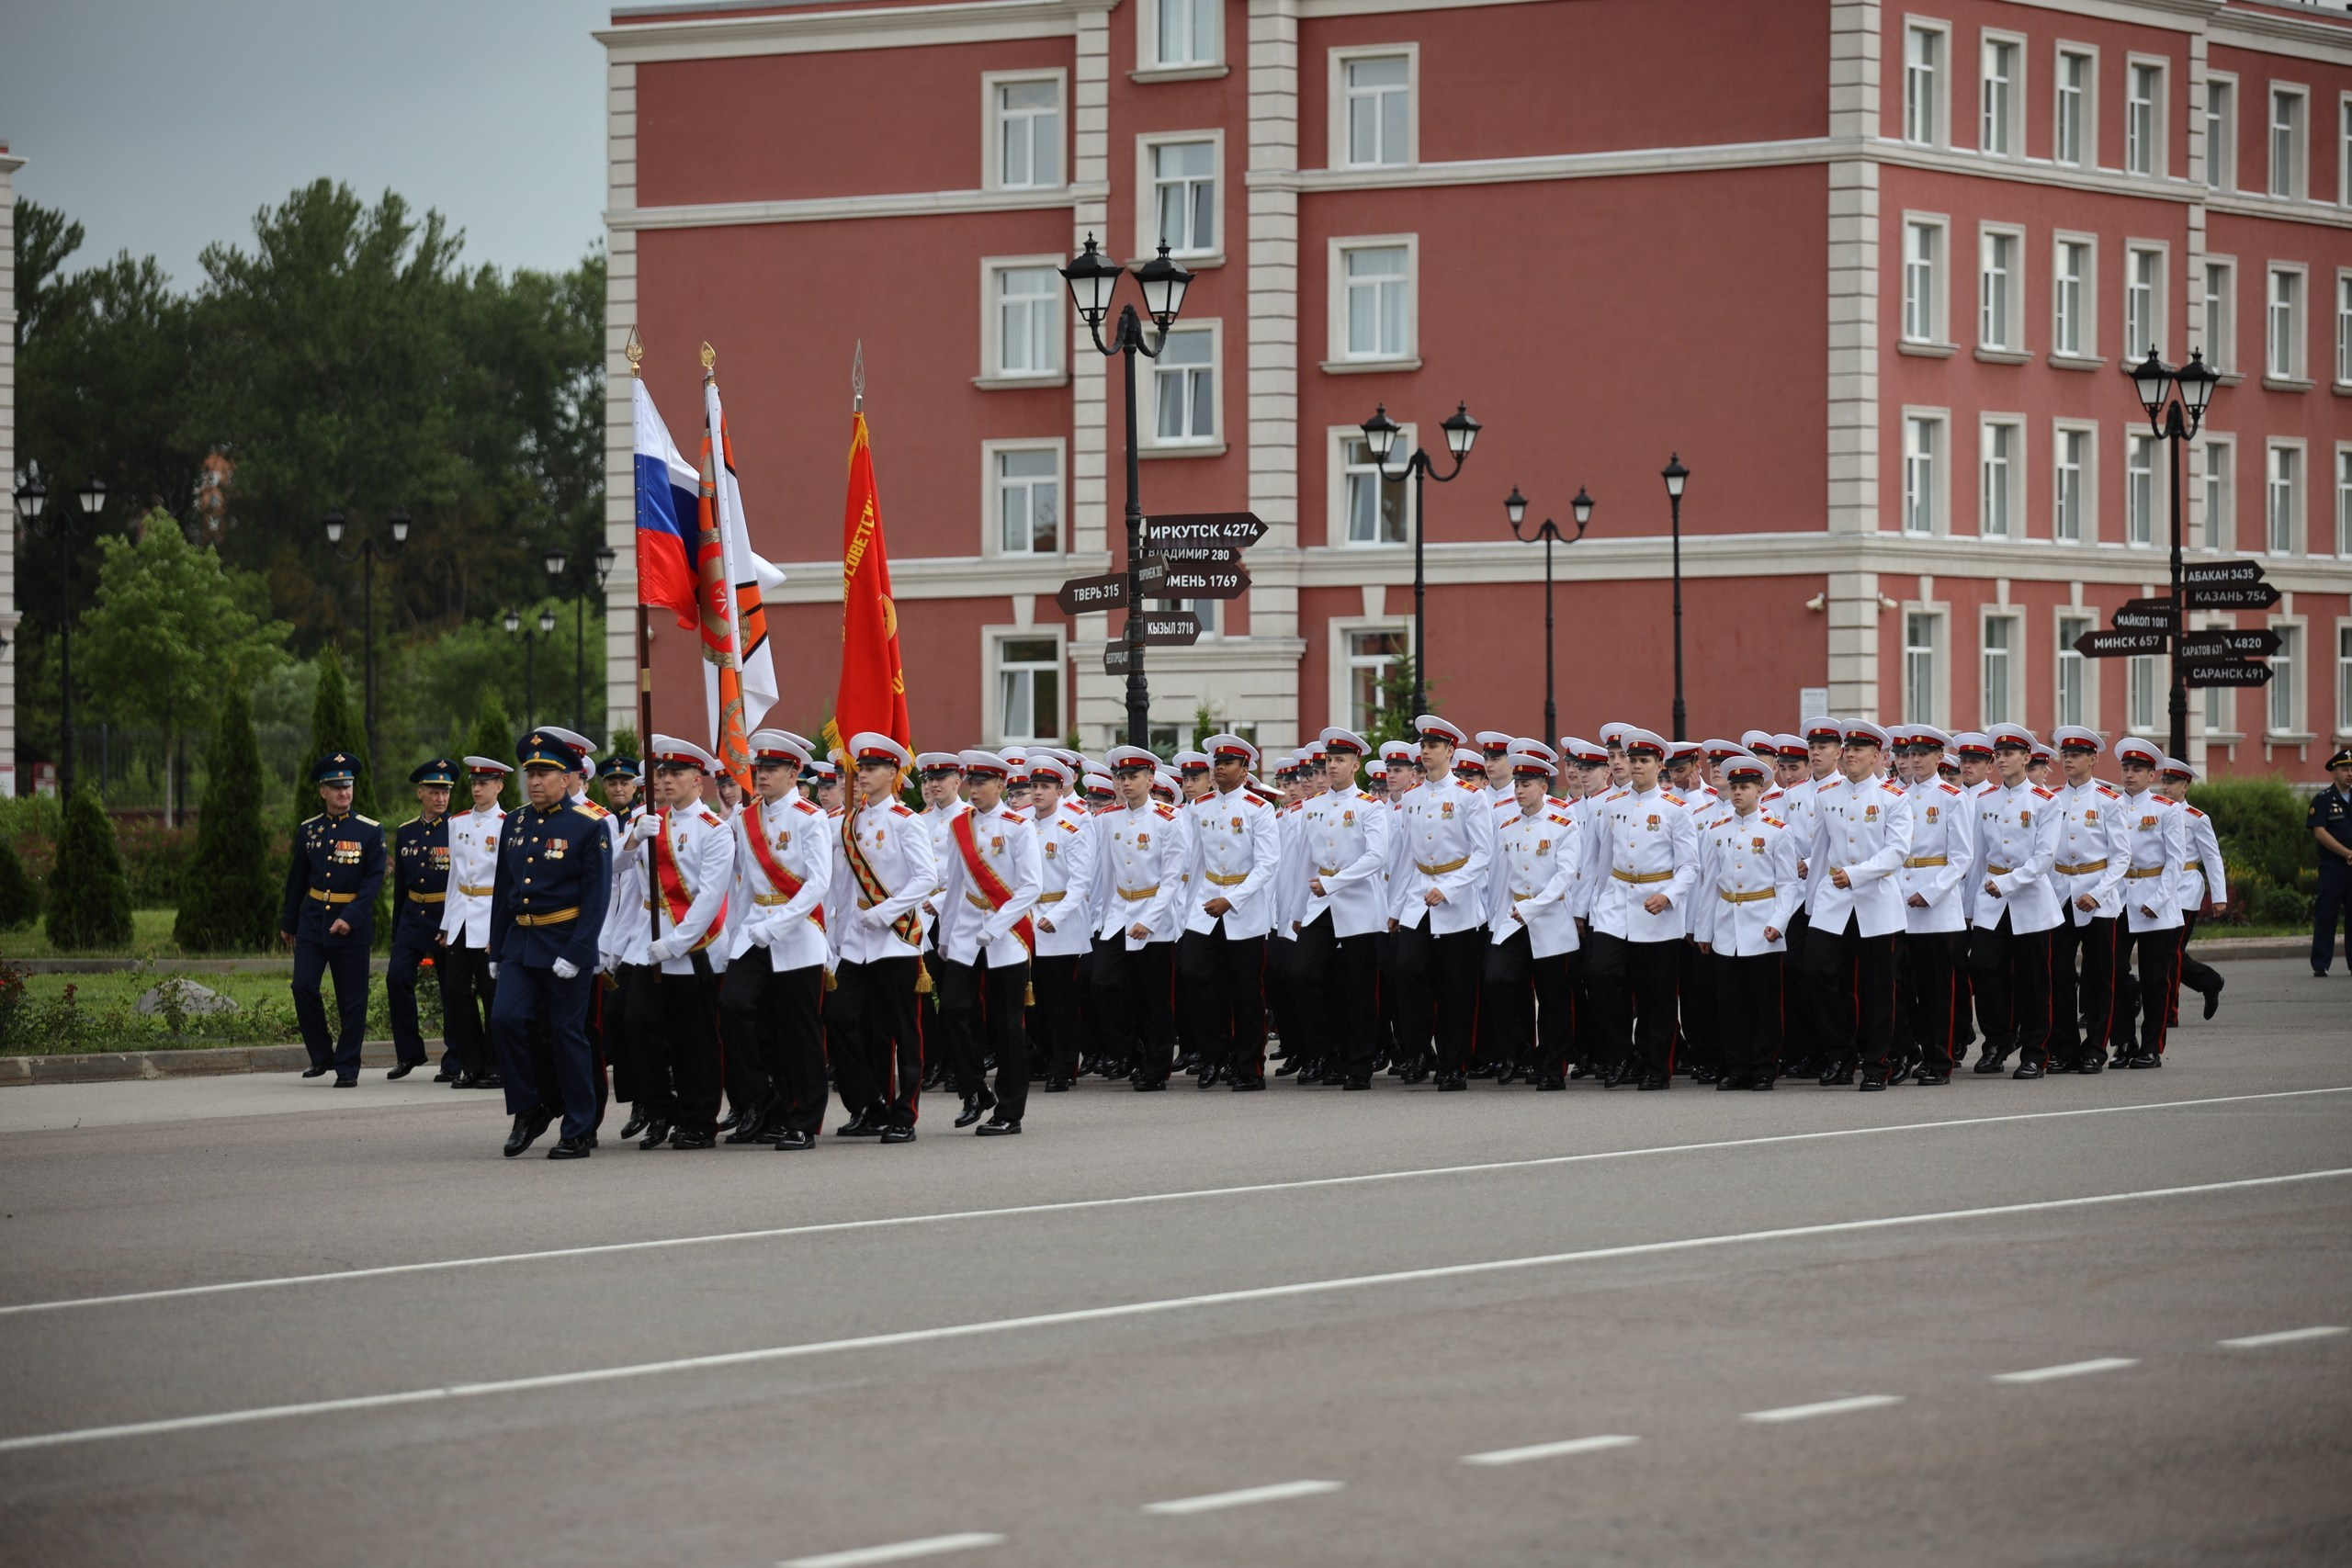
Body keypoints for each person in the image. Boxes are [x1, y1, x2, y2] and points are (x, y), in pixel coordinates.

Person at [486, 731, 615, 1159]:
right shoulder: (515, 822)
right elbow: (505, 889)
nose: (535, 781)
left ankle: (578, 1128)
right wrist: (495, 949)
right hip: (522, 943)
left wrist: (579, 952)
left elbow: (596, 899)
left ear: (568, 778)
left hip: (565, 945)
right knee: (505, 1020)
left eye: (545, 773)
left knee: (566, 1034)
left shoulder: (588, 826)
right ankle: (529, 1108)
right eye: (531, 773)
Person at [620, 737, 734, 1149]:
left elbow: (709, 897)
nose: (666, 780)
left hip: (693, 946)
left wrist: (675, 944)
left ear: (697, 781)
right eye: (661, 773)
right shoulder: (647, 819)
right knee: (636, 1024)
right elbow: (613, 867)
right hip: (645, 941)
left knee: (695, 1040)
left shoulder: (714, 831)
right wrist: (633, 839)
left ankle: (699, 1120)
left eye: (675, 773)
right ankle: (659, 1108)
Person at [722, 730, 833, 1150]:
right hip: (753, 930)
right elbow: (743, 885)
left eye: (771, 769)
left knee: (798, 1032)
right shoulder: (744, 817)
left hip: (798, 933)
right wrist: (736, 934)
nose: (762, 776)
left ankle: (802, 1119)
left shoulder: (809, 817)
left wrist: (778, 924)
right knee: (735, 1007)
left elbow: (818, 881)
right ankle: (763, 1101)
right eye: (759, 768)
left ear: (793, 773)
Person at [830, 733, 938, 1142]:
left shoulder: (905, 821)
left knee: (900, 1029)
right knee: (840, 1017)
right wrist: (839, 934)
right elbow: (843, 884)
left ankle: (903, 1114)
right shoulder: (851, 821)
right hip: (857, 941)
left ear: (893, 773)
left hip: (896, 938)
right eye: (861, 768)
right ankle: (870, 1102)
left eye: (872, 769)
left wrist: (886, 911)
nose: (863, 775)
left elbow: (926, 878)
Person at [1795, 721, 1912, 1089]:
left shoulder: (1893, 797)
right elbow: (1820, 853)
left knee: (1879, 988)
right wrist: (1812, 903)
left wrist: (1858, 874)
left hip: (1876, 901)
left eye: (1860, 750)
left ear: (1877, 756)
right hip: (1833, 899)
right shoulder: (1827, 794)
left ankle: (1878, 1062)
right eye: (1848, 748)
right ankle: (1840, 1053)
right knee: (1818, 971)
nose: (1851, 755)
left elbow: (1897, 851)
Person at [1580, 728, 1696, 1090]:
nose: (1637, 767)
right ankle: (1621, 1055)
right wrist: (1592, 906)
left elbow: (1690, 866)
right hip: (1616, 903)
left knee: (1656, 992)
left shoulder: (1676, 810)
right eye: (1633, 761)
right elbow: (1600, 861)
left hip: (1657, 907)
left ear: (1659, 764)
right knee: (1600, 975)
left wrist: (1669, 896)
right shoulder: (1611, 806)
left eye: (1644, 761)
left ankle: (1656, 1065)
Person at [1388, 716, 1499, 1090]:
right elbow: (1405, 855)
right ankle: (1419, 1051)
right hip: (1418, 897)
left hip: (1458, 902)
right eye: (1423, 746)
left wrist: (1450, 888)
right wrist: (1394, 908)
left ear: (1450, 752)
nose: (1425, 752)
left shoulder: (1470, 796)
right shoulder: (1412, 797)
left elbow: (1484, 853)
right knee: (1406, 971)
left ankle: (1455, 1064)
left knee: (1457, 987)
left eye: (1433, 746)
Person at [935, 749, 1043, 1134]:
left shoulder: (1018, 826)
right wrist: (946, 936)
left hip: (1007, 934)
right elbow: (953, 885)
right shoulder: (959, 826)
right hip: (966, 929)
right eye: (971, 782)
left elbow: (1031, 887)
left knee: (1008, 1025)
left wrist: (996, 927)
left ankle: (1009, 1112)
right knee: (951, 1009)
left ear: (1000, 784)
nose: (974, 789)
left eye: (982, 782)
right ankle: (975, 1089)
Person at [1180, 734, 1283, 1090]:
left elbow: (1268, 864)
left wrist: (1234, 899)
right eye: (1216, 763)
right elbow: (1194, 861)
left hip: (1245, 906)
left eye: (1227, 764)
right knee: (1194, 975)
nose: (1219, 768)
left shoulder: (1259, 808)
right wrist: (1188, 909)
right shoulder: (1199, 806)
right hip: (1206, 902)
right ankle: (1213, 1056)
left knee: (1246, 990)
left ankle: (1250, 1066)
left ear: (1244, 769)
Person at [1291, 728, 1392, 1089]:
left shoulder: (1370, 807)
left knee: (1359, 988)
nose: (1332, 766)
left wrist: (1333, 883)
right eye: (1329, 761)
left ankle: (1359, 1064)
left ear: (1356, 764)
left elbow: (1376, 857)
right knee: (1304, 974)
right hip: (1320, 904)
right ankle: (1328, 1051)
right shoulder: (1312, 806)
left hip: (1359, 905)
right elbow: (1304, 861)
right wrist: (1297, 911)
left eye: (1339, 760)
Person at [278, 752, 386, 1089]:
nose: (344, 793)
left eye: (348, 786)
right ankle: (321, 1055)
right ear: (323, 791)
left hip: (350, 924)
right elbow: (297, 878)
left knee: (351, 999)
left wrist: (351, 917)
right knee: (303, 986)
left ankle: (347, 1065)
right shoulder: (309, 830)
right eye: (336, 787)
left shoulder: (369, 831)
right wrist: (289, 921)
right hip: (313, 920)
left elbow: (373, 881)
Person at [1692, 753, 1800, 1089]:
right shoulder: (1717, 830)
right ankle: (1737, 1065)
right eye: (1734, 786)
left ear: (1760, 790)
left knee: (1764, 1002)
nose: (1737, 793)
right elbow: (1710, 883)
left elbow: (1787, 884)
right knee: (1730, 1002)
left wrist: (1779, 921)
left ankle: (1764, 1066)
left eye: (1745, 787)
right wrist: (1704, 929)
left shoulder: (1776, 831)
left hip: (1761, 923)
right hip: (1727, 924)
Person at [1092, 744, 1192, 1089]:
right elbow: (1103, 872)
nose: (1125, 783)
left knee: (1153, 996)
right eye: (1121, 777)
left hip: (1155, 916)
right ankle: (1129, 1049)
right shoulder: (1107, 819)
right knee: (1103, 982)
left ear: (1150, 779)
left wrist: (1150, 920)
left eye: (1133, 776)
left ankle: (1156, 1067)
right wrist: (1101, 916)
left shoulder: (1168, 818)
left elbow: (1172, 877)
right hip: (1119, 911)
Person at [1970, 725, 2063, 1078]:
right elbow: (1978, 858)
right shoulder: (1984, 800)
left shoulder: (2045, 802)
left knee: (2034, 979)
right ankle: (1997, 1040)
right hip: (1990, 902)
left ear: (2027, 758)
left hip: (2030, 902)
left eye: (2010, 754)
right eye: (1999, 754)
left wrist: (2008, 882)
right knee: (1983, 968)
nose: (2002, 759)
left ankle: (2036, 1052)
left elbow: (2043, 859)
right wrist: (1969, 907)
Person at [1486, 750, 1581, 1089]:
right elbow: (1500, 878)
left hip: (1549, 918)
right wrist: (1496, 920)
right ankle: (1519, 1050)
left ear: (1543, 786)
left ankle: (1554, 1066)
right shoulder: (1508, 827)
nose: (1519, 791)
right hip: (1513, 917)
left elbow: (1565, 876)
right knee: (1498, 979)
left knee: (1553, 996)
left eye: (1526, 784)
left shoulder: (1563, 825)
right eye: (1517, 784)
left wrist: (1533, 907)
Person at [2041, 726, 2127, 1074]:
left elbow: (2121, 857)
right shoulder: (2052, 799)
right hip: (2061, 892)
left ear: (2093, 759)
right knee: (2058, 973)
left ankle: (2095, 1047)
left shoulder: (2109, 801)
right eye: (2065, 755)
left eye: (2076, 755)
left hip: (2097, 895)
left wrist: (2098, 892)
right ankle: (2065, 1047)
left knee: (2100, 975)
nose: (2069, 760)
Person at [1892, 727, 1973, 1085]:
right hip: (1895, 900)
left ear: (1939, 759)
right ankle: (1905, 1050)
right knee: (1898, 986)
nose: (1915, 761)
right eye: (1910, 755)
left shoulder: (1952, 797)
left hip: (1935, 903)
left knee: (1935, 988)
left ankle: (1939, 1059)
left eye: (1923, 755)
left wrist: (1931, 892)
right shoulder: (1894, 795)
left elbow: (1961, 857)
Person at [2104, 737, 2189, 1068]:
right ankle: (2124, 1040)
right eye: (2125, 768)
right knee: (2114, 971)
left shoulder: (2166, 810)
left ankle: (2151, 1046)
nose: (2129, 774)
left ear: (2151, 775)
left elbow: (2176, 861)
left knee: (2156, 978)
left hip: (2155, 899)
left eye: (2137, 769)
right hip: (2119, 899)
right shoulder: (2110, 804)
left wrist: (2158, 899)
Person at [436, 757, 510, 1088]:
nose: (478, 789)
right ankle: (471, 1064)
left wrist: (502, 929)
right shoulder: (457, 822)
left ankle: (495, 1065)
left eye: (485, 783)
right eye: (474, 783)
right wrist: (446, 924)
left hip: (490, 916)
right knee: (455, 992)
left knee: (491, 992)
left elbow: (508, 883)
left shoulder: (508, 823)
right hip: (463, 915)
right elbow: (454, 876)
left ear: (499, 786)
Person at [1026, 757, 1098, 1092]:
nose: (1038, 792)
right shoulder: (1022, 824)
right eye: (1034, 786)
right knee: (1034, 999)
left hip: (1061, 923)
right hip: (1026, 920)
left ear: (1059, 791)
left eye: (1045, 787)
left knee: (1061, 1001)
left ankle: (1064, 1066)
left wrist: (1053, 917)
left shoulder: (1072, 828)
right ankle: (1041, 1060)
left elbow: (1080, 883)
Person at [385, 759, 457, 1080]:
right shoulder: (406, 832)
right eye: (434, 792)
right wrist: (396, 928)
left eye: (445, 792)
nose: (440, 798)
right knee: (396, 978)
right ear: (420, 793)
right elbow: (401, 885)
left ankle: (454, 1059)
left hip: (447, 916)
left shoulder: (458, 829)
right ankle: (409, 1053)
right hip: (413, 917)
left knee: (451, 989)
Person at [2161, 757, 2228, 1020]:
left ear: (2185, 785)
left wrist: (2219, 896)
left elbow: (2212, 857)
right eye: (2164, 781)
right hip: (2159, 887)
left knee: (2171, 950)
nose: (2166, 787)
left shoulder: (2197, 819)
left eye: (2172, 782)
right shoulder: (2156, 811)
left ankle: (2169, 1011)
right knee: (2164, 951)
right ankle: (2209, 982)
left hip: (2186, 888)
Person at [2311, 747, 2352, 977]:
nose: (2350, 773)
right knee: (2327, 914)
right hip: (2333, 867)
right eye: (2345, 769)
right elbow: (2320, 832)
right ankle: (2321, 963)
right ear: (2334, 772)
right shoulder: (2324, 800)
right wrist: (2347, 853)